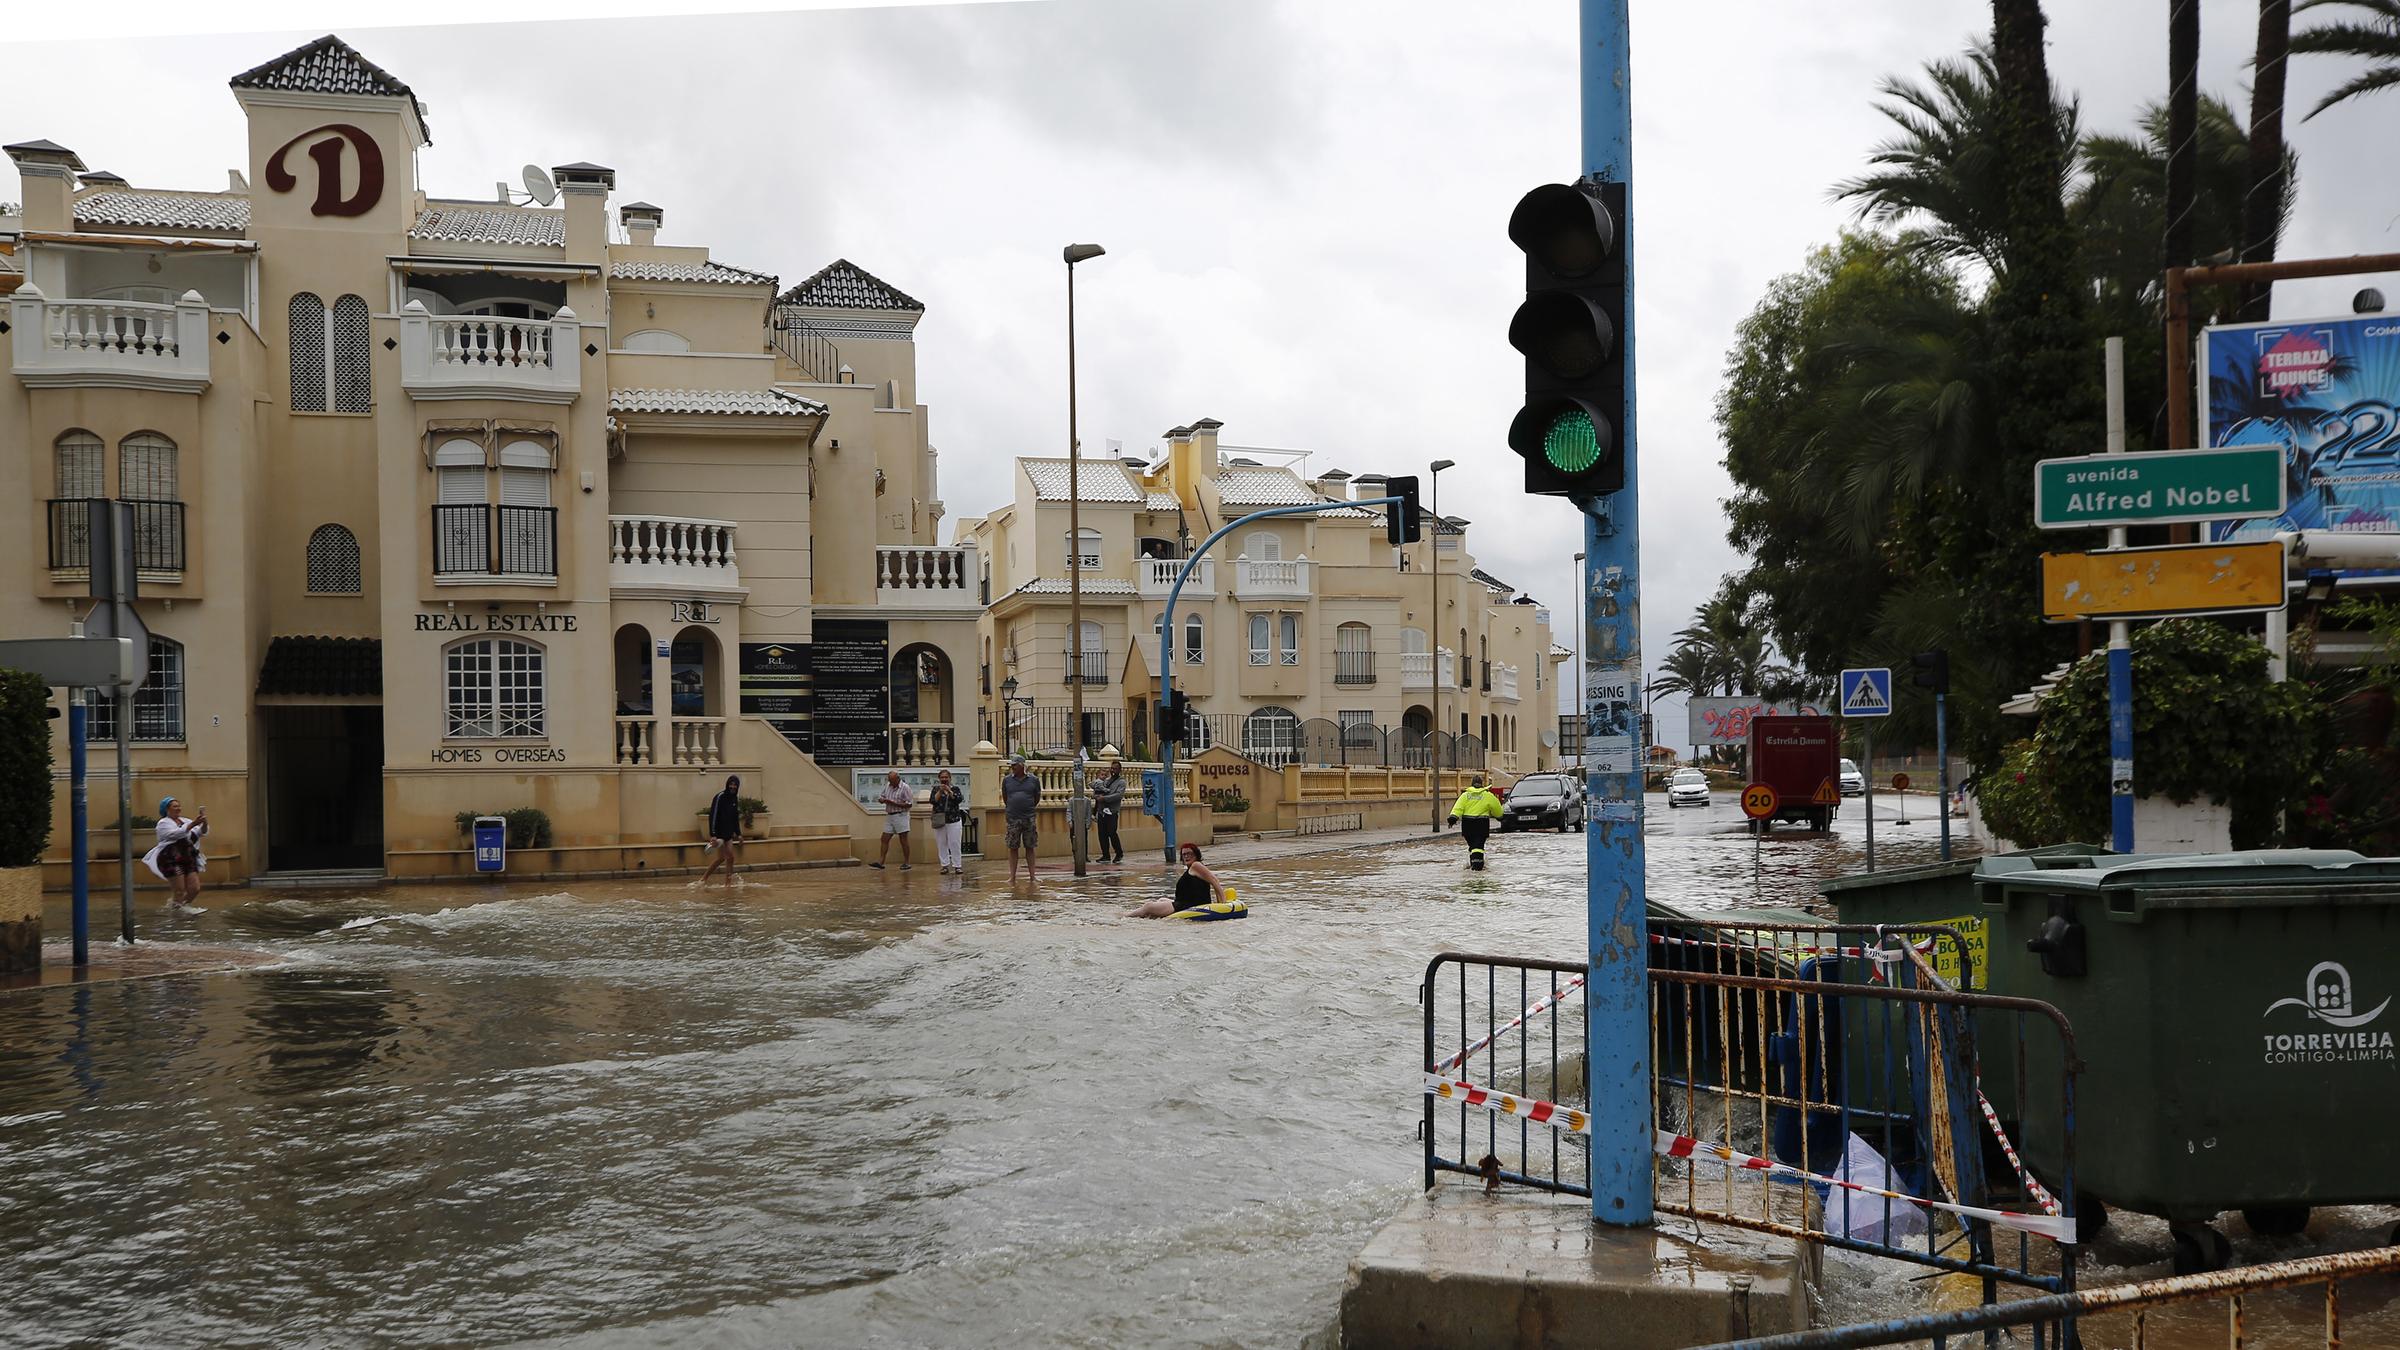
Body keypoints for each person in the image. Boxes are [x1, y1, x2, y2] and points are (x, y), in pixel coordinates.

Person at [142, 796, 208, 912]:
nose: (178, 808)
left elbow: (200, 832)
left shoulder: (185, 820)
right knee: (179, 890)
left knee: (195, 888)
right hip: (171, 859)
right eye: (175, 806)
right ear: (167, 809)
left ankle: (180, 907)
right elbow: (176, 834)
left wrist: (204, 822)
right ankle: (176, 911)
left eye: (179, 806)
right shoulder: (163, 823)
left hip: (188, 857)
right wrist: (193, 824)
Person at [1125, 842, 1223, 917]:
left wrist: (1223, 904)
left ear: (1196, 854)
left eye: (1189, 853)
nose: (1186, 856)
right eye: (1184, 854)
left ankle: (1126, 916)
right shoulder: (1192, 869)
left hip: (1189, 906)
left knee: (1148, 906)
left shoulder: (1196, 865)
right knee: (1161, 899)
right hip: (1184, 903)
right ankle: (1141, 916)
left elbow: (1215, 881)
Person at [1448, 774, 1505, 870]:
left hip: (1467, 824)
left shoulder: (1465, 795)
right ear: (1482, 784)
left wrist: (1453, 818)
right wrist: (1500, 817)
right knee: (1478, 845)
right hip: (1482, 824)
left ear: (1471, 784)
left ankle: (1472, 864)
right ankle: (1478, 866)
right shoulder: (1488, 795)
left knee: (1473, 845)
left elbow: (1458, 808)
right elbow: (1497, 809)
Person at [1002, 754, 1042, 882]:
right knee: (1013, 847)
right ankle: (1012, 876)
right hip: (1013, 818)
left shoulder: (1034, 780)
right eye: (1012, 765)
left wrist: (1028, 807)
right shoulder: (1007, 780)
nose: (1012, 768)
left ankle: (1032, 876)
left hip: (1029, 817)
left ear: (1022, 766)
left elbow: (1036, 797)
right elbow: (1005, 797)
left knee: (1030, 846)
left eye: (1015, 765)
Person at [699, 775, 744, 888]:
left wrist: (739, 834)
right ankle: (706, 879)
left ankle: (722, 882)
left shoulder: (735, 798)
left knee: (725, 858)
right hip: (719, 834)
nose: (733, 787)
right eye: (731, 784)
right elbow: (713, 815)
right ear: (728, 784)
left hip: (728, 833)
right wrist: (713, 834)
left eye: (735, 785)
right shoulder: (720, 797)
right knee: (728, 857)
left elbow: (735, 817)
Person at [873, 769, 915, 870]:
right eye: (889, 780)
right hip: (890, 815)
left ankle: (906, 862)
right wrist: (881, 799)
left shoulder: (905, 788)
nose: (890, 783)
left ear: (897, 779)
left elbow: (909, 804)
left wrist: (892, 803)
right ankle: (881, 861)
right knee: (884, 838)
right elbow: (882, 795)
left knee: (903, 839)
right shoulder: (888, 785)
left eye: (892, 780)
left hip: (901, 815)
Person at [929, 769, 967, 873]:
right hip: (940, 820)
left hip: (953, 819)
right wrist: (940, 791)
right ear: (939, 778)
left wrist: (949, 791)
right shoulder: (935, 789)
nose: (944, 779)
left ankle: (957, 865)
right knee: (941, 843)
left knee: (955, 843)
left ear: (950, 778)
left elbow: (958, 799)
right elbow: (933, 801)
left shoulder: (955, 789)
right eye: (942, 777)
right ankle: (944, 865)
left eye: (946, 777)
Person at [1091, 759, 1126, 864]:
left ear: (1119, 770)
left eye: (1115, 769)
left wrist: (1105, 799)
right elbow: (1098, 790)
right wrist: (1096, 796)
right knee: (1102, 834)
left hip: (1112, 811)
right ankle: (1105, 855)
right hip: (1102, 811)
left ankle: (1119, 853)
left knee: (1112, 833)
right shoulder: (1106, 781)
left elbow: (1118, 795)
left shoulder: (1121, 782)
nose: (1113, 770)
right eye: (1112, 768)